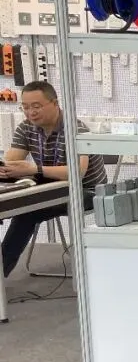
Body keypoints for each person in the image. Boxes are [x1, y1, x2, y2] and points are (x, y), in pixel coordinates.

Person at [0, 80, 107, 276]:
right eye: (25, 107)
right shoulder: (26, 128)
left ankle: (1, 272)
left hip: (86, 191)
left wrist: (35, 169)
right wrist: (6, 169)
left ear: (55, 103)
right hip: (50, 188)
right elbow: (12, 159)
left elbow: (78, 172)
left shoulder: (76, 129)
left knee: (27, 211)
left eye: (36, 106)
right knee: (16, 206)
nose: (30, 112)